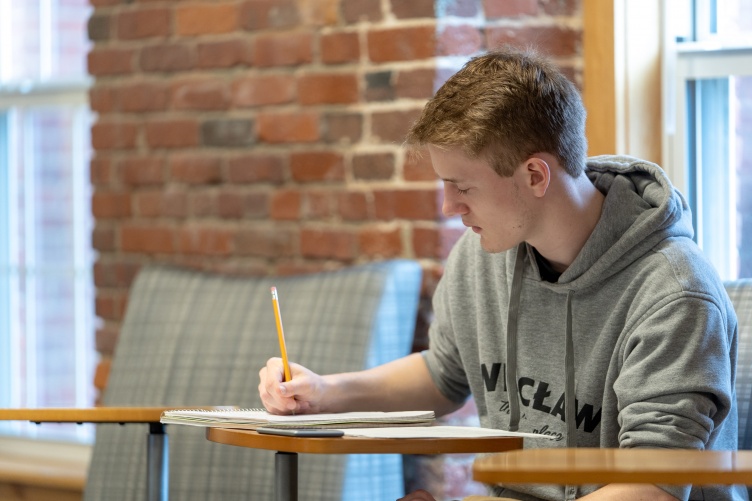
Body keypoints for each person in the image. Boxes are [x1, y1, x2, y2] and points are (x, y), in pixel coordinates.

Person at [259, 46, 745, 501]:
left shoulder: (676, 295)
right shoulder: (483, 252)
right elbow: (444, 374)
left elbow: (649, 490)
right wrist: (323, 393)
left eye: (462, 186)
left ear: (535, 175)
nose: (450, 208)